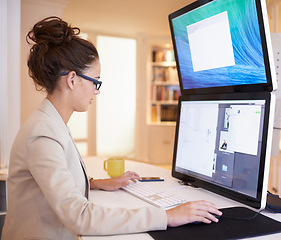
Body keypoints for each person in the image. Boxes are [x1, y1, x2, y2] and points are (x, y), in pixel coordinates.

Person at [1, 16, 222, 240]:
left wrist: (96, 184)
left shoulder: (50, 122)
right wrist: (166, 216)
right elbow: (80, 216)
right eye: (95, 81)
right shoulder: (43, 133)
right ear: (72, 80)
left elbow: (52, 179)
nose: (97, 91)